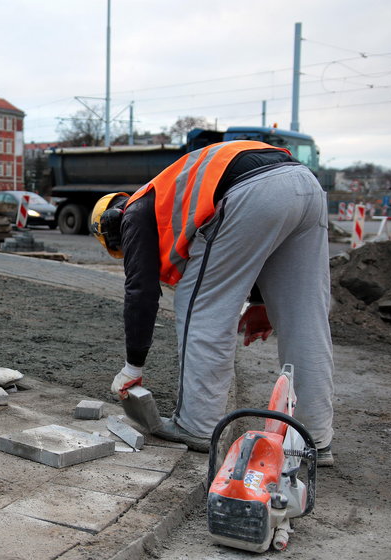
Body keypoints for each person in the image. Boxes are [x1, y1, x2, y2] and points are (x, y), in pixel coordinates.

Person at [89, 140, 334, 465]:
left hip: (249, 191)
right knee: (306, 320)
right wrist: (261, 303)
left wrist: (133, 366)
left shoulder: (135, 212)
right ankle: (311, 437)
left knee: (202, 309)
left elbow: (141, 292)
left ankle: (197, 425)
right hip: (304, 186)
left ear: (111, 228)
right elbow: (261, 246)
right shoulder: (169, 195)